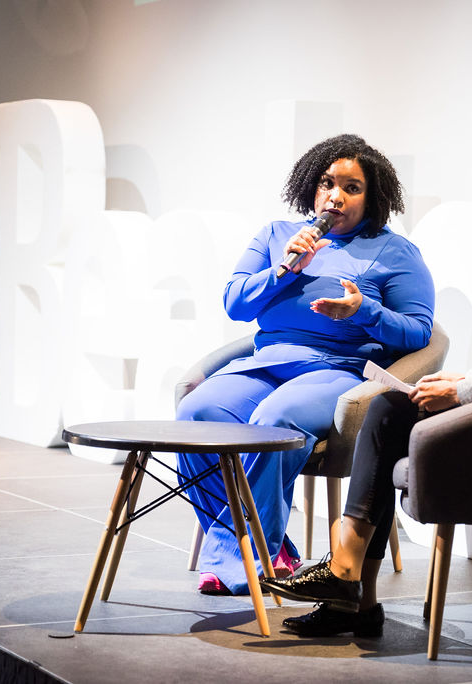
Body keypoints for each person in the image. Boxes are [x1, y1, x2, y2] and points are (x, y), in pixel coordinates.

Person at [262, 128, 472, 636]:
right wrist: (469, 379)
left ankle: (348, 578)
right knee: (390, 413)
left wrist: (459, 392)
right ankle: (352, 590)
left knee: (386, 416)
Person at [176, 134, 435, 596]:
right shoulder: (277, 236)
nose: (335, 196)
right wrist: (285, 269)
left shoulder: (395, 252)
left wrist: (364, 312)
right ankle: (260, 548)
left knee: (275, 420)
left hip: (336, 370)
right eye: (327, 183)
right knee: (196, 414)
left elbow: (419, 332)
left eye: (352, 188)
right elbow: (235, 303)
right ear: (311, 186)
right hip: (268, 362)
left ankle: (246, 559)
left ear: (372, 197)